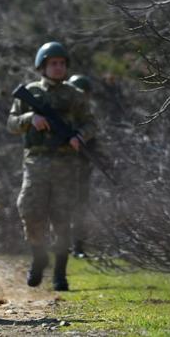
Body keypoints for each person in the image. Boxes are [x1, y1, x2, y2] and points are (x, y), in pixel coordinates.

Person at [7, 42, 96, 291]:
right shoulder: (30, 92)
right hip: (36, 161)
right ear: (43, 66)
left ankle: (60, 273)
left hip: (66, 163)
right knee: (29, 209)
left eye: (62, 63)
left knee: (62, 218)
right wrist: (29, 119)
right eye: (53, 63)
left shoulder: (75, 95)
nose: (58, 68)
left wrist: (80, 136)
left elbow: (91, 123)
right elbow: (11, 123)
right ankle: (39, 256)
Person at [66, 74, 95, 258]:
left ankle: (78, 246)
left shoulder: (87, 117)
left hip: (82, 167)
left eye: (84, 93)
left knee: (80, 207)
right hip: (61, 167)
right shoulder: (64, 115)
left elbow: (93, 139)